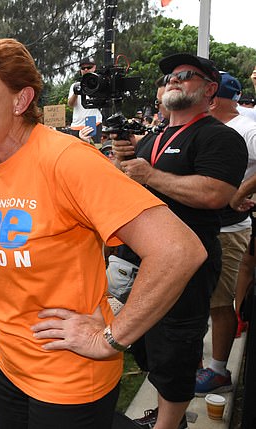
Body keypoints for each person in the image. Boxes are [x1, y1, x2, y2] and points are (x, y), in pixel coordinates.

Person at [0, 38, 207, 429]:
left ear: (20, 101)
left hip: (70, 379)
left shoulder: (66, 159)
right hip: (8, 366)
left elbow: (179, 250)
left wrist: (111, 339)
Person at [112, 54, 247, 429]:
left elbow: (215, 193)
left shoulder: (220, 136)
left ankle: (170, 424)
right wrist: (119, 166)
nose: (174, 79)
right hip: (138, 260)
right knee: (141, 340)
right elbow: (128, 188)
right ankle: (167, 413)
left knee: (175, 346)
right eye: (170, 76)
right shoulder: (153, 138)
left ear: (209, 90)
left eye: (186, 75)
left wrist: (150, 175)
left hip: (185, 264)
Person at [195, 73, 256, 395]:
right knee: (200, 300)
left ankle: (218, 370)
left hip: (229, 230)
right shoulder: (206, 128)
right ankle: (199, 365)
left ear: (214, 95)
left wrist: (240, 192)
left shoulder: (246, 128)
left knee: (220, 303)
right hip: (206, 227)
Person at [67, 56, 103, 141]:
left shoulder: (100, 84)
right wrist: (76, 92)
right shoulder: (75, 85)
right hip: (76, 125)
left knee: (94, 149)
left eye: (89, 67)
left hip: (93, 122)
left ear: (94, 68)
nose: (86, 69)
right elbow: (70, 104)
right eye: (83, 68)